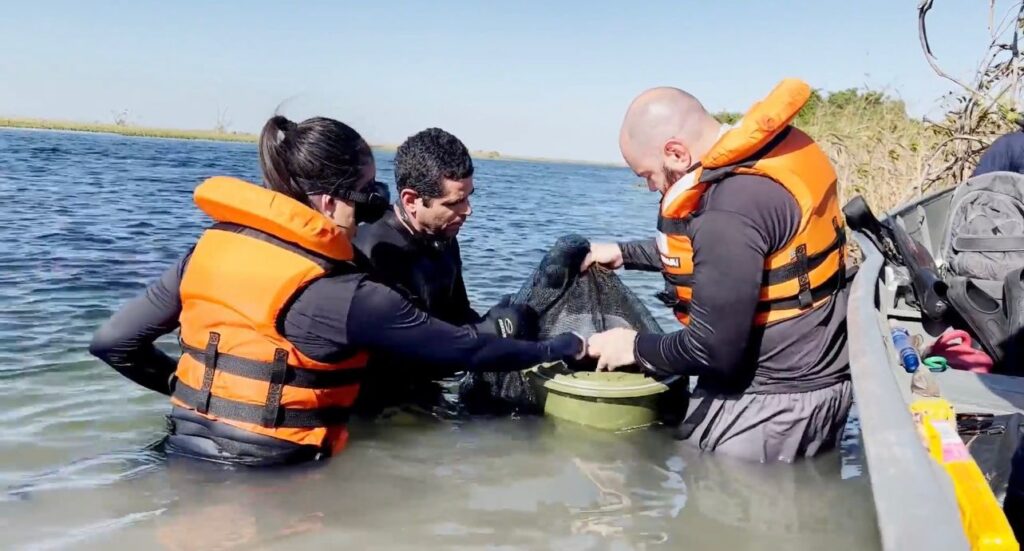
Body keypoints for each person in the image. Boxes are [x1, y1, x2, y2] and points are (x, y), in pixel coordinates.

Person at [89, 114, 585, 467]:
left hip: (179, 452)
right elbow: (461, 347)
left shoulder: (207, 251)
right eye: (369, 197)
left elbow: (112, 343)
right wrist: (565, 346)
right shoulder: (346, 290)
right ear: (328, 201)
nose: (374, 210)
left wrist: (198, 391)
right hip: (274, 469)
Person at [583, 78, 852, 463]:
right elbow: (743, 258)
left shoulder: (727, 207)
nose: (650, 188)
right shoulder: (762, 161)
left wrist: (632, 347)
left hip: (777, 398)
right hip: (818, 373)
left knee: (715, 495)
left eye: (647, 176)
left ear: (675, 153)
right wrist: (624, 253)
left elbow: (712, 350)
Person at [352, 128, 536, 413]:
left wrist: (496, 326)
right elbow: (399, 352)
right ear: (411, 200)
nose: (467, 211)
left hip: (431, 386)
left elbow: (457, 314)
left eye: (467, 197)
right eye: (453, 203)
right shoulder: (373, 253)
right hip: (382, 406)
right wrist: (488, 333)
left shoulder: (444, 237)